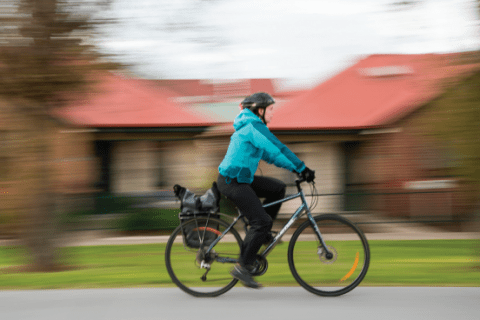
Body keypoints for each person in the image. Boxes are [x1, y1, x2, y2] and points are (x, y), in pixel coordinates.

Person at [216, 92, 315, 288]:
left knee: (277, 188)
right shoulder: (253, 126)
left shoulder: (253, 127)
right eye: (270, 109)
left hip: (242, 179)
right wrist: (302, 168)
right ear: (259, 111)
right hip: (232, 182)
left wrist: (296, 169)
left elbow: (274, 156)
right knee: (261, 221)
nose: (272, 113)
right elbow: (279, 147)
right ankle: (242, 267)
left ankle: (262, 234)